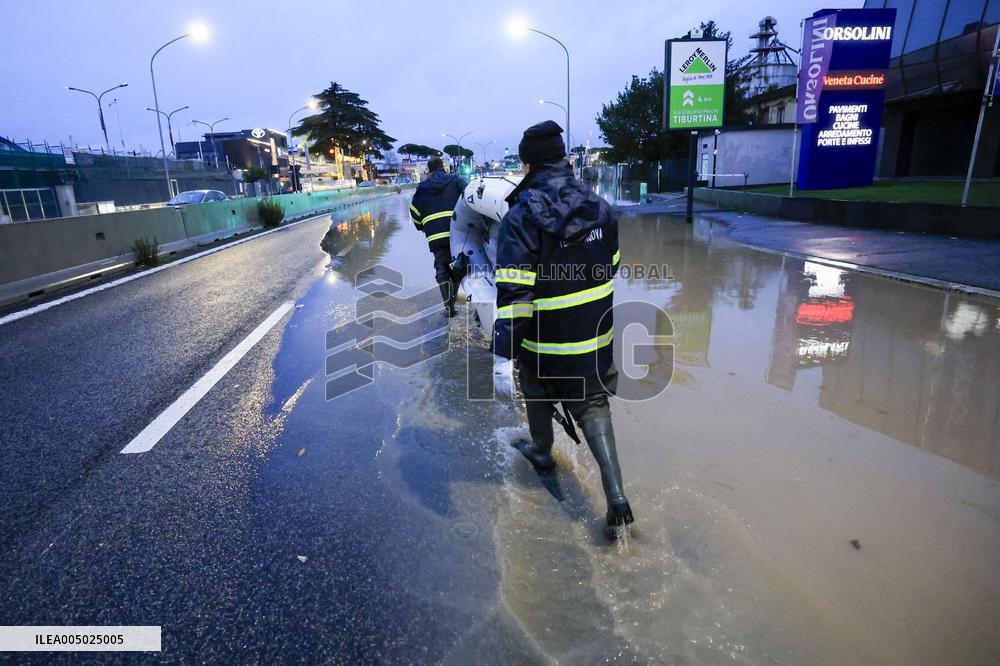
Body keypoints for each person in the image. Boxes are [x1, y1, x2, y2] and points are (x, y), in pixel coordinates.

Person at [491, 120, 633, 538]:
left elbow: (515, 295)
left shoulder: (520, 217)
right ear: (565, 158)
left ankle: (541, 451)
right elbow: (614, 264)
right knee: (593, 407)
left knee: (535, 389)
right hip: (595, 339)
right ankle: (617, 498)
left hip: (544, 344)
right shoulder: (600, 206)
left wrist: (503, 356)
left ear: (527, 163)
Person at [409, 157, 467, 316]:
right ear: (443, 167)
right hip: (458, 232)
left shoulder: (421, 188)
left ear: (429, 170)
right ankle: (458, 295)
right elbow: (470, 196)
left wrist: (421, 226)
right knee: (462, 263)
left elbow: (414, 212)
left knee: (441, 268)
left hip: (435, 235)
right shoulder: (455, 180)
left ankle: (449, 308)